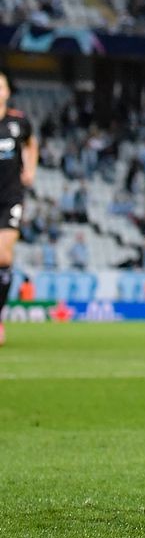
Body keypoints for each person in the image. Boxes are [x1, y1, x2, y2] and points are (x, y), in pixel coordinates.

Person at [0, 70, 39, 347]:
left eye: (0, 86)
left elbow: (31, 142)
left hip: (10, 196)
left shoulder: (18, 121)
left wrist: (31, 167)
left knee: (2, 256)